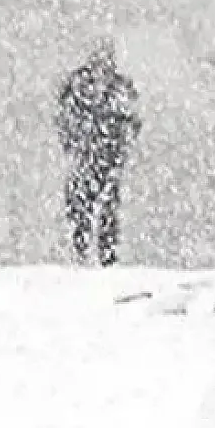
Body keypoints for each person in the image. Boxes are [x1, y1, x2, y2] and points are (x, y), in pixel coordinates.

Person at [55, 36, 142, 266]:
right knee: (87, 204)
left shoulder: (111, 87)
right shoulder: (91, 86)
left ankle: (98, 255)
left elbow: (131, 121)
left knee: (99, 205)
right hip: (93, 155)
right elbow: (65, 117)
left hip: (100, 155)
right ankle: (85, 253)